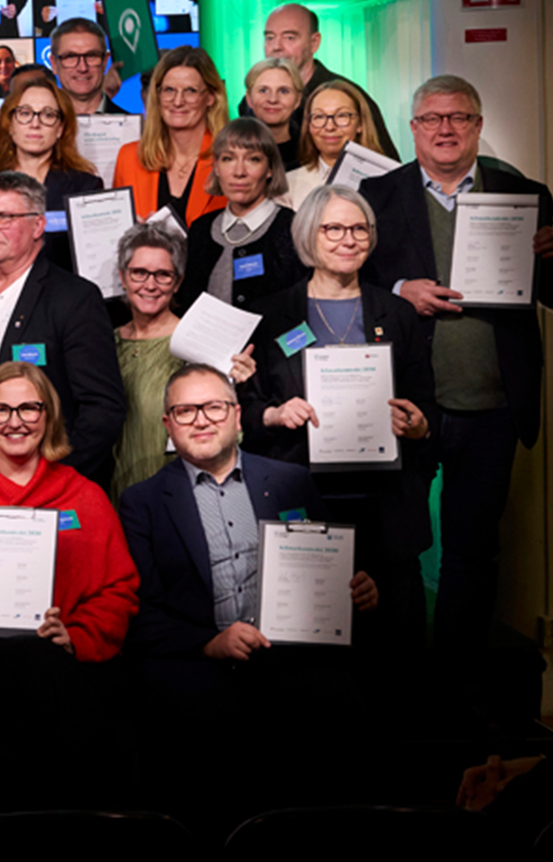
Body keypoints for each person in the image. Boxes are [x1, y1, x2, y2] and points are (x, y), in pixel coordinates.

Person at [119, 365, 379, 828]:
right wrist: (209, 643)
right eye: (185, 411)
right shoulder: (143, 502)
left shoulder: (291, 481)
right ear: (168, 424)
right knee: (201, 724)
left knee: (338, 705)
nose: (201, 420)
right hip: (195, 659)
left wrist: (355, 590)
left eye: (214, 407)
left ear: (237, 416)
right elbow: (141, 613)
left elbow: (328, 569)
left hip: (288, 653)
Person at [356, 76, 553, 657]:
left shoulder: (524, 195)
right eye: (432, 118)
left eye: (459, 117)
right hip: (406, 403)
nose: (445, 129)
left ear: (478, 125)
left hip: (493, 404)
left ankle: (455, 675)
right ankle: (404, 672)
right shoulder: (376, 194)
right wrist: (401, 289)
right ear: (414, 127)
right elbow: (348, 279)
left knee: (473, 549)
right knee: (397, 545)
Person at [0, 364, 136, 797]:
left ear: (48, 414)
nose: (15, 422)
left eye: (29, 408)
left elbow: (118, 589)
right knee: (35, 666)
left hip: (68, 657)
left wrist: (75, 636)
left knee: (44, 662)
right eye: (0, 410)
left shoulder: (85, 497)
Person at [235, 185, 435, 648]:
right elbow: (245, 410)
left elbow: (426, 407)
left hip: (384, 508)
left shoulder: (398, 314)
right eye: (334, 229)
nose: (349, 239)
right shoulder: (270, 316)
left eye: (359, 228)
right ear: (309, 235)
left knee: (392, 647)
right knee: (312, 654)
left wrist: (419, 426)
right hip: (302, 500)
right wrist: (273, 414)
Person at [0, 172, 126, 490]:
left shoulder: (74, 299)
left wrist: (48, 478)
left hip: (40, 488)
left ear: (38, 225)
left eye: (4, 217)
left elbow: (102, 411)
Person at [109, 222, 257, 498]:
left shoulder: (200, 341)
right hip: (115, 487)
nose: (150, 285)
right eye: (139, 273)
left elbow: (227, 434)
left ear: (177, 282)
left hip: (182, 491)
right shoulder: (105, 342)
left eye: (163, 275)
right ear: (123, 276)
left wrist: (242, 384)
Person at [177, 117, 300, 313]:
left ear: (270, 168)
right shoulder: (200, 230)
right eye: (228, 159)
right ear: (216, 167)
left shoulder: (293, 229)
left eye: (253, 159)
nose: (239, 172)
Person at [0, 78, 104, 270]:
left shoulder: (85, 187)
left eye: (48, 115)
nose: (35, 123)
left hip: (62, 288)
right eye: (25, 113)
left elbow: (95, 264)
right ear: (10, 125)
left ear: (60, 128)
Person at [252, 3, 396, 154]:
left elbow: (385, 163)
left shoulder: (348, 96)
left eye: (289, 38)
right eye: (269, 37)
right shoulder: (256, 100)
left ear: (314, 43)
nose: (276, 46)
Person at [112, 45, 229, 226]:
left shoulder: (231, 158)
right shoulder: (129, 158)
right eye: (169, 90)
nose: (178, 101)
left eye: (190, 91)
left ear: (210, 97)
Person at [284, 78, 387, 209]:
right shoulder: (288, 185)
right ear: (308, 125)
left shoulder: (388, 180)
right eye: (319, 117)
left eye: (341, 116)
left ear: (360, 124)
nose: (330, 127)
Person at [48, 19, 127, 117]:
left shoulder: (133, 124)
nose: (83, 68)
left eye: (91, 56)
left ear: (105, 61)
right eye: (71, 56)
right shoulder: (37, 123)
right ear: (54, 64)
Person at [241, 57, 304, 171]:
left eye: (283, 91)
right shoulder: (229, 147)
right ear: (249, 98)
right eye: (263, 90)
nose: (273, 99)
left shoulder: (312, 152)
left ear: (297, 100)